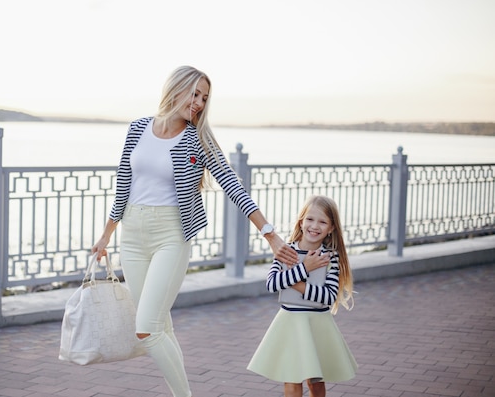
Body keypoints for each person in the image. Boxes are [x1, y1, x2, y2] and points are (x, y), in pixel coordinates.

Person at [91, 65, 298, 397]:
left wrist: (269, 233)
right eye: (195, 94)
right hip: (131, 237)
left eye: (204, 97)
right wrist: (106, 235)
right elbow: (124, 184)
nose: (199, 103)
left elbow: (231, 183)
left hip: (170, 236)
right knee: (161, 327)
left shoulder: (197, 138)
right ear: (176, 89)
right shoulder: (138, 128)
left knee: (146, 329)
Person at [247, 195, 358, 397]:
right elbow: (272, 284)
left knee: (315, 381)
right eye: (310, 219)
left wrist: (294, 279)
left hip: (317, 324)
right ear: (301, 221)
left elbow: (327, 297)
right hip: (290, 322)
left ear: (331, 228)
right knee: (292, 379)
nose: (315, 226)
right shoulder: (284, 250)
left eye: (323, 222)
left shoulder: (330, 257)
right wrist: (305, 267)